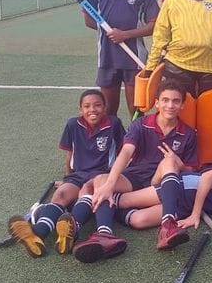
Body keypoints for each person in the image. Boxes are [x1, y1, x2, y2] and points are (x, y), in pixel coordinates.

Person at [69, 80, 197, 263]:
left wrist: (179, 163)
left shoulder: (189, 133)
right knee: (104, 182)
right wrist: (110, 184)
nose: (170, 105)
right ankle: (104, 234)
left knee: (168, 163)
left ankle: (168, 226)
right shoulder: (141, 124)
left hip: (160, 182)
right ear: (157, 103)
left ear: (182, 105)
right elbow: (126, 152)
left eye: (176, 101)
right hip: (135, 177)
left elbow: (190, 170)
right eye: (165, 100)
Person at [8, 90, 126, 258]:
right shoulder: (72, 124)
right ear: (80, 110)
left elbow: (124, 152)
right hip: (78, 174)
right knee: (61, 195)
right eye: (87, 106)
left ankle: (72, 230)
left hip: (101, 175)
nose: (92, 109)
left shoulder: (114, 123)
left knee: (87, 193)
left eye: (97, 105)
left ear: (105, 107)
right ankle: (37, 234)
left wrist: (116, 176)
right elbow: (69, 154)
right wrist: (67, 177)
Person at [84, 0, 159, 117]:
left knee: (136, 111)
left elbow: (154, 26)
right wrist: (108, 32)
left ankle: (135, 136)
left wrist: (125, 35)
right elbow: (89, 19)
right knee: (108, 111)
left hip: (134, 58)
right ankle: (112, 137)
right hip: (107, 57)